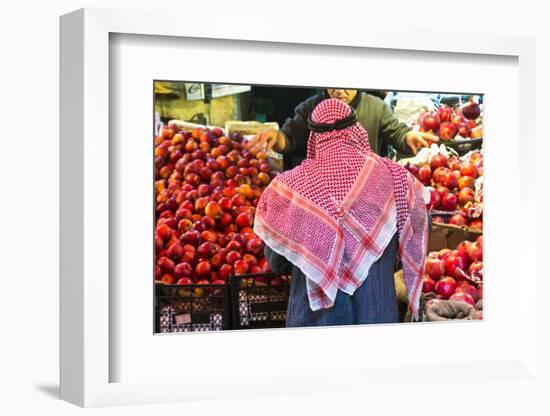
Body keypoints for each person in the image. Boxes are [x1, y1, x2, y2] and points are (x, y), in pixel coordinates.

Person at [253, 99, 430, 327]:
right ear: (357, 130)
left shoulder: (290, 189)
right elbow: (419, 232)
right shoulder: (395, 177)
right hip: (376, 315)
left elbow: (277, 263)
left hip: (314, 322)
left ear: (314, 137)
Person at [247, 89, 438, 170]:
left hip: (365, 192)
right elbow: (290, 138)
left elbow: (397, 134)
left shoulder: (376, 107)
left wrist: (408, 138)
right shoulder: (310, 108)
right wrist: (277, 138)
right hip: (323, 195)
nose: (338, 91)